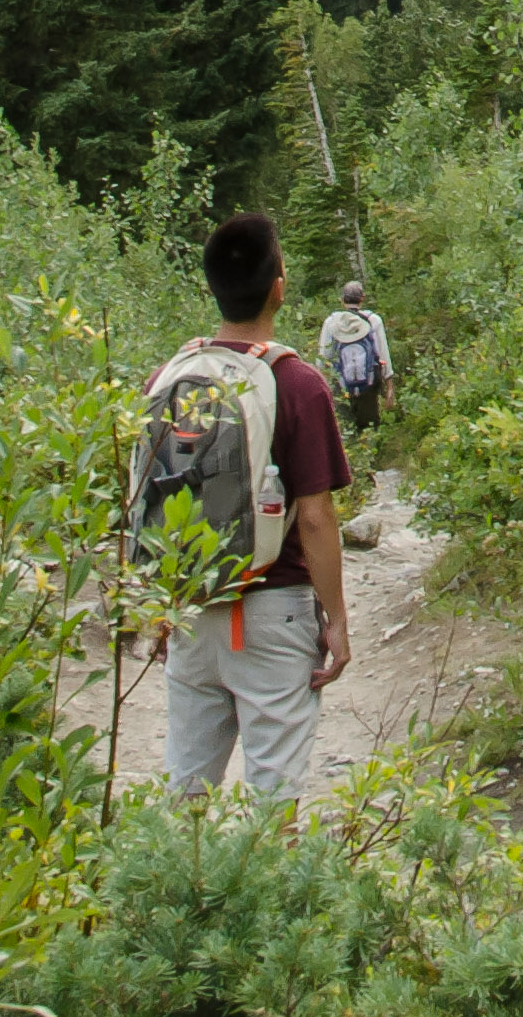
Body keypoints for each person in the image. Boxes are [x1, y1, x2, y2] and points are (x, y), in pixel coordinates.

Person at [150, 210, 354, 803]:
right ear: (279, 288)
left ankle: (166, 894)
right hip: (272, 611)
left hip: (192, 605)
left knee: (183, 792)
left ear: (212, 287)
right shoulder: (297, 384)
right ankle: (269, 898)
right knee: (273, 797)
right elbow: (314, 517)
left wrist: (158, 602)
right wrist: (337, 621)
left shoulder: (168, 378)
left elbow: (144, 499)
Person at [315, 279, 394, 440]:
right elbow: (383, 354)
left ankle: (351, 460)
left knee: (345, 427)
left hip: (341, 384)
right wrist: (390, 386)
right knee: (369, 427)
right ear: (362, 298)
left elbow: (323, 358)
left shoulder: (332, 322)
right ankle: (371, 457)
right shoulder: (374, 320)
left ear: (342, 299)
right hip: (369, 382)